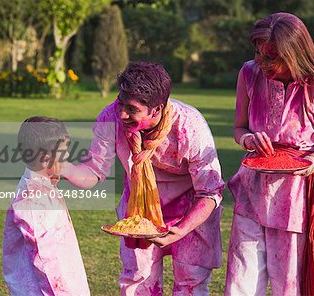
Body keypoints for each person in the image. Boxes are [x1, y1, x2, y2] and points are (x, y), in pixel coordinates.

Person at [62, 61, 225, 295]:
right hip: (139, 209)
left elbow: (210, 192)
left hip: (190, 207)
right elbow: (95, 172)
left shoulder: (190, 125)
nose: (122, 113)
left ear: (157, 109)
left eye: (132, 109)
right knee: (138, 281)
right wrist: (62, 167)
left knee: (191, 283)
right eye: (120, 102)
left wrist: (181, 229)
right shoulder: (111, 118)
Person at [224, 12, 314, 296]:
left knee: (288, 281)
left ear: (295, 53)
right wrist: (248, 139)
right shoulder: (248, 73)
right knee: (241, 278)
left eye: (272, 57)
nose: (263, 63)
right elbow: (238, 127)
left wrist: (312, 162)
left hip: (297, 194)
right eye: (258, 53)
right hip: (253, 188)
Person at [2, 116, 90, 296]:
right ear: (45, 159)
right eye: (63, 153)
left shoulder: (38, 187)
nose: (66, 158)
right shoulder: (36, 204)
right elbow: (46, 260)